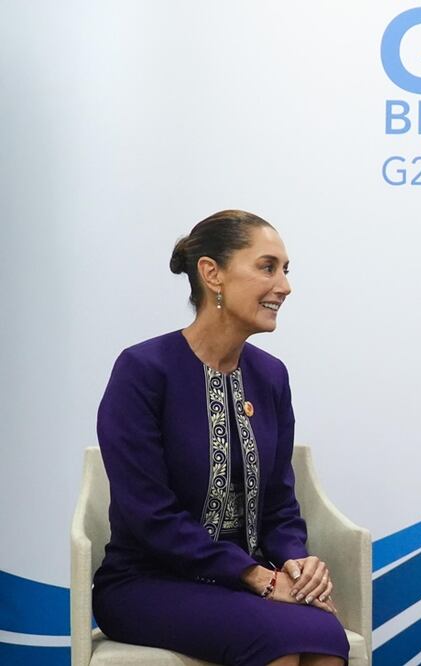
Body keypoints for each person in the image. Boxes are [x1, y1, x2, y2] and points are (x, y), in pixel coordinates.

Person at [93, 210, 349, 666]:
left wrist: (295, 562)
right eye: (267, 267)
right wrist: (256, 576)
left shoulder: (270, 376)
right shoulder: (143, 371)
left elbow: (279, 504)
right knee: (279, 642)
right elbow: (150, 515)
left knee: (325, 636)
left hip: (243, 581)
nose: (285, 286)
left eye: (285, 270)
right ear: (212, 273)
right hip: (146, 581)